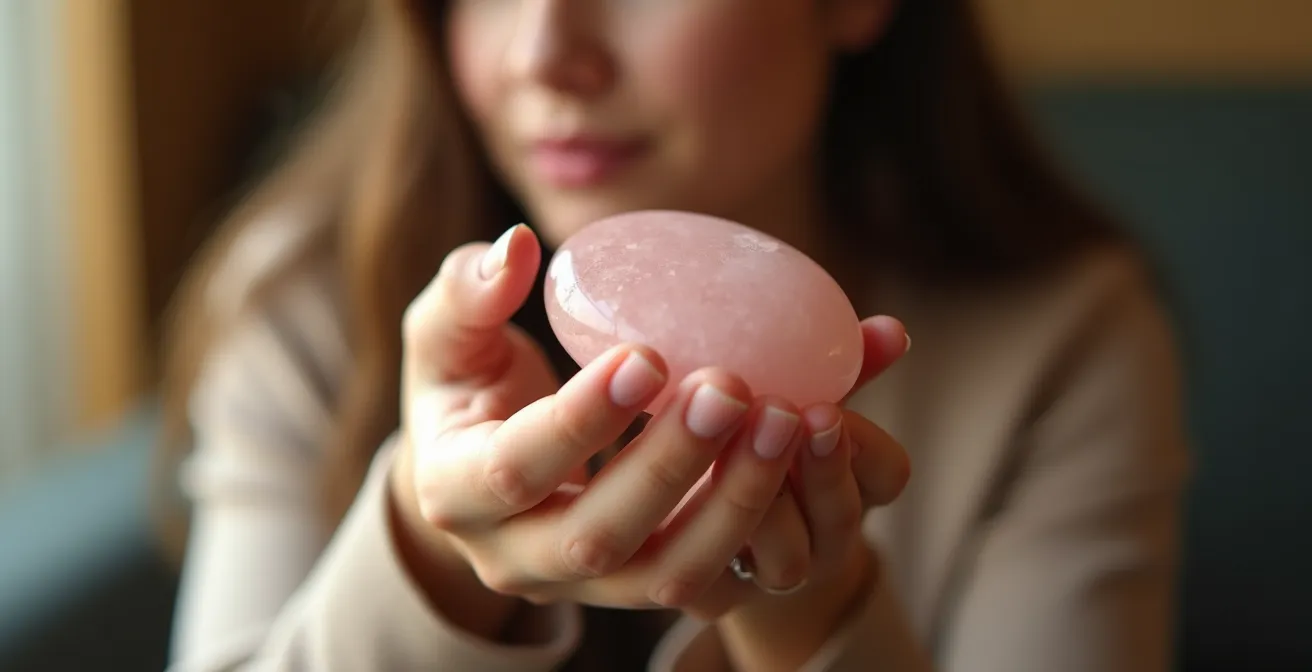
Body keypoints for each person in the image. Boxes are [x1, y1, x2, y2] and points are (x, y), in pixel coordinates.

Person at [155, 0, 1191, 670]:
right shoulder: (309, 299)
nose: (543, 55)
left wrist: (810, 615)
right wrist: (426, 550)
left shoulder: (1066, 344)